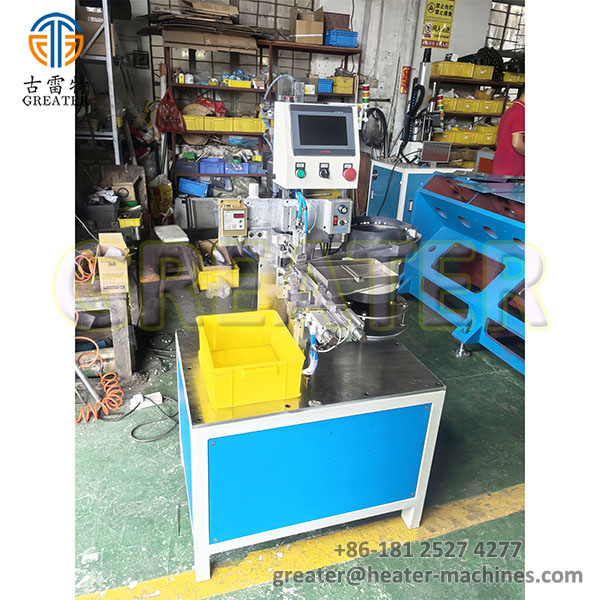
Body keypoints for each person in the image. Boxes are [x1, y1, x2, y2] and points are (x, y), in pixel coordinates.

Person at [491, 89, 525, 176]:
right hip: (512, 173)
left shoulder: (510, 111)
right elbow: (517, 144)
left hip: (500, 170)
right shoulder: (521, 111)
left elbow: (497, 142)